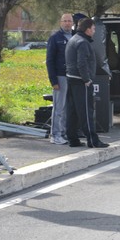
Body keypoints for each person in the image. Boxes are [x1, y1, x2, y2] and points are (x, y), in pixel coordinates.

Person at [65, 17, 109, 148]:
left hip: (71, 79)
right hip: (81, 82)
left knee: (72, 112)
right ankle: (93, 140)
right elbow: (81, 63)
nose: (94, 31)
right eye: (94, 28)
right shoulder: (82, 42)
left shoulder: (73, 39)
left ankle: (72, 139)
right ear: (88, 29)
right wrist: (87, 79)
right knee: (86, 111)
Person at [45, 13, 74, 145]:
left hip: (72, 76)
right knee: (59, 107)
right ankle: (55, 134)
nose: (67, 23)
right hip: (60, 77)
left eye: (69, 21)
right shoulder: (55, 38)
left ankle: (64, 133)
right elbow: (49, 61)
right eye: (65, 21)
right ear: (61, 23)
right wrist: (54, 81)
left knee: (68, 107)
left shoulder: (75, 37)